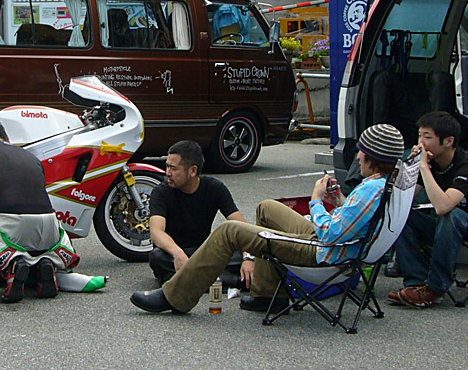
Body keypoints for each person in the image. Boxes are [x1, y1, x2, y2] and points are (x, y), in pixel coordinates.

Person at [130, 123, 404, 315]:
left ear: (371, 156)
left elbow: (330, 234)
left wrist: (317, 200)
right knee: (266, 208)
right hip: (334, 243)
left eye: (361, 151)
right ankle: (266, 292)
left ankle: (176, 296)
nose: (358, 155)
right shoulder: (383, 185)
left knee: (230, 231)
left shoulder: (369, 190)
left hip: (323, 251)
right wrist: (339, 201)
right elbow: (352, 220)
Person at [0, 120, 76, 303]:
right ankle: (43, 266)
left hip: (11, 225)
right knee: (33, 251)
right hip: (51, 226)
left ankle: (13, 269)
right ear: (7, 139)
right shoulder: (31, 157)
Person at [389, 111, 468, 309]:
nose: (421, 143)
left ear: (448, 141)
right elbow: (402, 198)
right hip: (449, 228)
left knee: (451, 214)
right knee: (402, 214)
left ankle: (435, 288)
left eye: (427, 137)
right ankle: (416, 283)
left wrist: (424, 168)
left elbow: (443, 207)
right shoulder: (429, 162)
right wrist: (411, 167)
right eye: (419, 136)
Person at [149, 140, 252, 288]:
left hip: (205, 253)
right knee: (157, 257)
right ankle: (228, 282)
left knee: (247, 256)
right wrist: (177, 253)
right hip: (174, 252)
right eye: (167, 166)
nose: (168, 173)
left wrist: (248, 257)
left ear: (193, 171)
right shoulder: (161, 192)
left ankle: (188, 281)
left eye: (173, 168)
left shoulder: (215, 188)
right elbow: (156, 232)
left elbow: (241, 227)